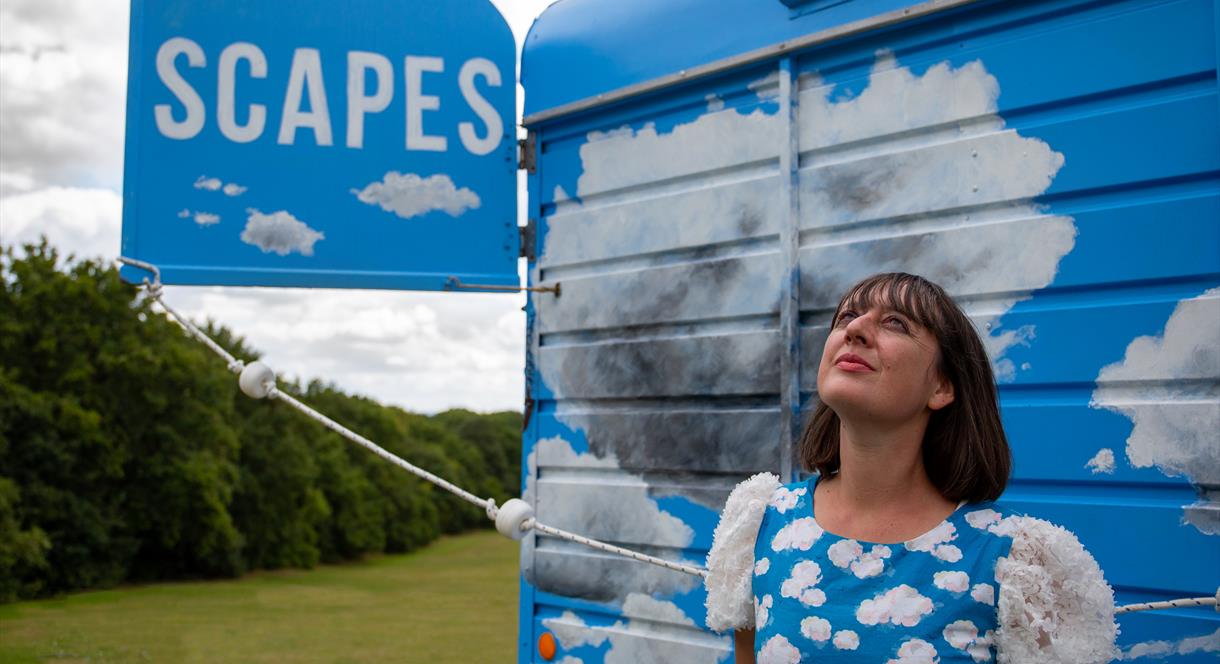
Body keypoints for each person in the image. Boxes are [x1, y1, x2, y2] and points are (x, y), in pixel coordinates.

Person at [703, 273, 1118, 663]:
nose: (855, 329)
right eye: (847, 316)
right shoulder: (760, 522)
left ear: (941, 386)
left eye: (896, 323)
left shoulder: (1018, 564)